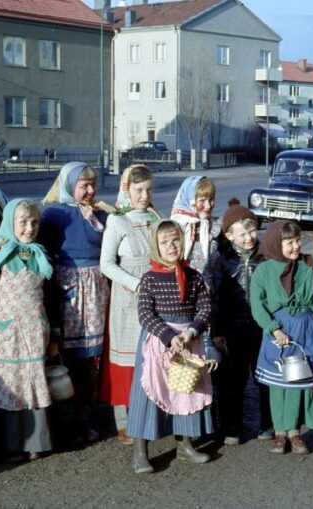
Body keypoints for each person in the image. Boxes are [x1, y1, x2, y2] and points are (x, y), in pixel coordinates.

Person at [127, 219, 214, 473]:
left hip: (188, 340)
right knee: (147, 394)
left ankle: (185, 444)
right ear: (155, 246)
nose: (171, 245)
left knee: (186, 391)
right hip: (158, 342)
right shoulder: (150, 278)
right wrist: (167, 335)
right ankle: (140, 452)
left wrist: (192, 330)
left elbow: (206, 307)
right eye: (164, 242)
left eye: (175, 239)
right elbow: (144, 313)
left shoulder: (194, 276)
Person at [250, 220, 313, 455]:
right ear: (275, 243)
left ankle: (295, 432)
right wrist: (274, 328)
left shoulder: (308, 264)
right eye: (289, 242)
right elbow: (257, 304)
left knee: (300, 381)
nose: (295, 246)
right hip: (279, 330)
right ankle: (280, 432)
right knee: (278, 383)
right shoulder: (264, 270)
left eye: (297, 241)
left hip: (306, 328)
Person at [0, 199, 58, 463]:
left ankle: (35, 442)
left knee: (33, 384)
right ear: (11, 223)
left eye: (34, 222)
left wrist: (55, 337)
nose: (29, 228)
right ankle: (10, 446)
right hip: (5, 337)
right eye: (22, 222)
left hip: (35, 333)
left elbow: (52, 301)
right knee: (10, 386)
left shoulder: (42, 257)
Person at [39, 162, 114, 446]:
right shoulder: (55, 214)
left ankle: (84, 413)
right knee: (67, 355)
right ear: (70, 186)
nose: (91, 190)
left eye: (93, 184)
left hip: (95, 289)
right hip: (68, 291)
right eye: (84, 185)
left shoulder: (100, 213)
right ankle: (66, 420)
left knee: (88, 357)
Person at [100, 165, 160, 445]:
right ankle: (123, 420)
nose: (144, 196)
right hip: (128, 297)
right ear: (127, 190)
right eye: (138, 190)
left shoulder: (156, 217)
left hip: (155, 296)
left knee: (151, 356)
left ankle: (147, 413)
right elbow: (107, 264)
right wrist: (135, 284)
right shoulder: (118, 220)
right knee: (126, 358)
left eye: (148, 190)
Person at [206, 199, 272, 445]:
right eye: (242, 234)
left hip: (262, 326)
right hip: (233, 327)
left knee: (264, 377)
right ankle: (231, 426)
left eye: (252, 230)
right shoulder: (221, 259)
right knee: (232, 379)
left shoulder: (264, 255)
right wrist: (217, 330)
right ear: (229, 236)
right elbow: (216, 298)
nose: (249, 238)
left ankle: (268, 424)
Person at [170, 176, 222, 362]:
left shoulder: (215, 228)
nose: (208, 205)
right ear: (190, 201)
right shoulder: (177, 228)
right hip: (187, 300)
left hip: (211, 301)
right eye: (202, 201)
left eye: (211, 200)